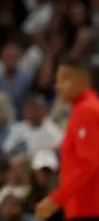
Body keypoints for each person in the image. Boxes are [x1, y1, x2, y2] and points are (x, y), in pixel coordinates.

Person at [35, 57, 99, 220]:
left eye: (65, 78)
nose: (57, 86)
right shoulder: (88, 107)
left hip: (88, 207)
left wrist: (56, 199)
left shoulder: (86, 110)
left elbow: (89, 161)